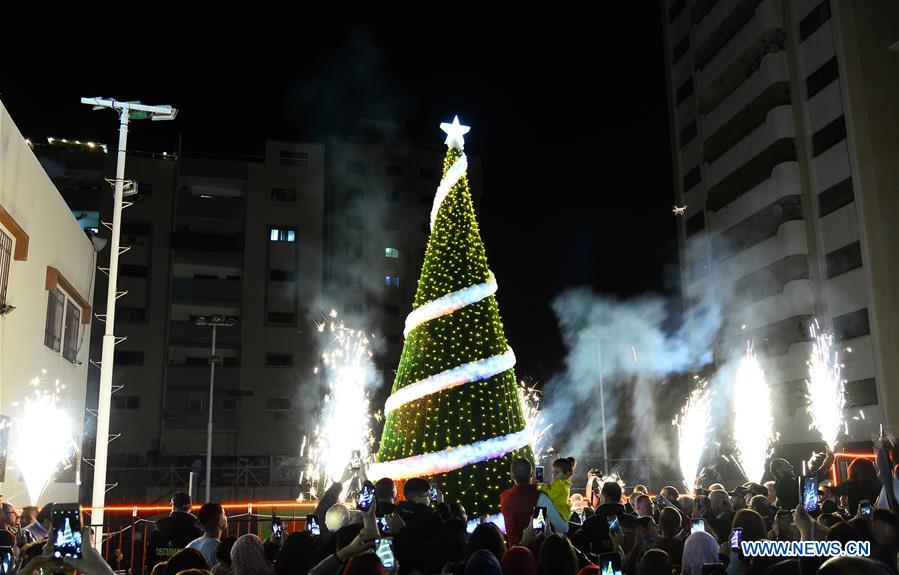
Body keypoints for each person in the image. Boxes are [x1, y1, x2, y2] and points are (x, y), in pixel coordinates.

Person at [147, 492, 204, 568]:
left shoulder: (160, 527)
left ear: (173, 506)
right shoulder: (198, 529)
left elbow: (150, 555)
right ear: (190, 507)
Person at [580, 481, 636, 554]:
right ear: (620, 497)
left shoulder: (590, 523)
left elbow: (584, 551)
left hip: (599, 564)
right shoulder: (634, 521)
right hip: (629, 564)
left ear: (603, 497)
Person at [395, 477, 442, 543]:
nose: (430, 498)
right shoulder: (432, 515)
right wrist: (442, 505)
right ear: (417, 497)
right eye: (428, 495)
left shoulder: (396, 511)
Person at [187, 503, 228, 569]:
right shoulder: (218, 549)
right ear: (220, 522)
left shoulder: (191, 545)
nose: (226, 517)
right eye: (224, 514)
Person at [537, 458, 573, 531]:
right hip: (562, 516)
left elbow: (550, 496)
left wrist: (542, 484)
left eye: (557, 472)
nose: (553, 475)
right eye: (553, 472)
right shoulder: (562, 484)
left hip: (560, 517)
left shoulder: (560, 485)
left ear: (566, 475)